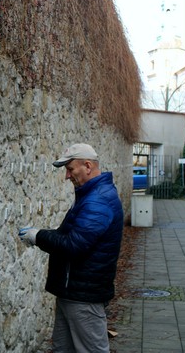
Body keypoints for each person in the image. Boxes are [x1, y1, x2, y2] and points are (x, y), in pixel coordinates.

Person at [19, 143, 123, 353]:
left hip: (83, 297)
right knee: (62, 348)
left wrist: (37, 236)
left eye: (70, 169)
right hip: (73, 292)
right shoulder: (90, 196)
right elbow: (70, 235)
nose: (67, 176)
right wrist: (41, 235)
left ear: (87, 166)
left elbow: (74, 245)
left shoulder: (98, 201)